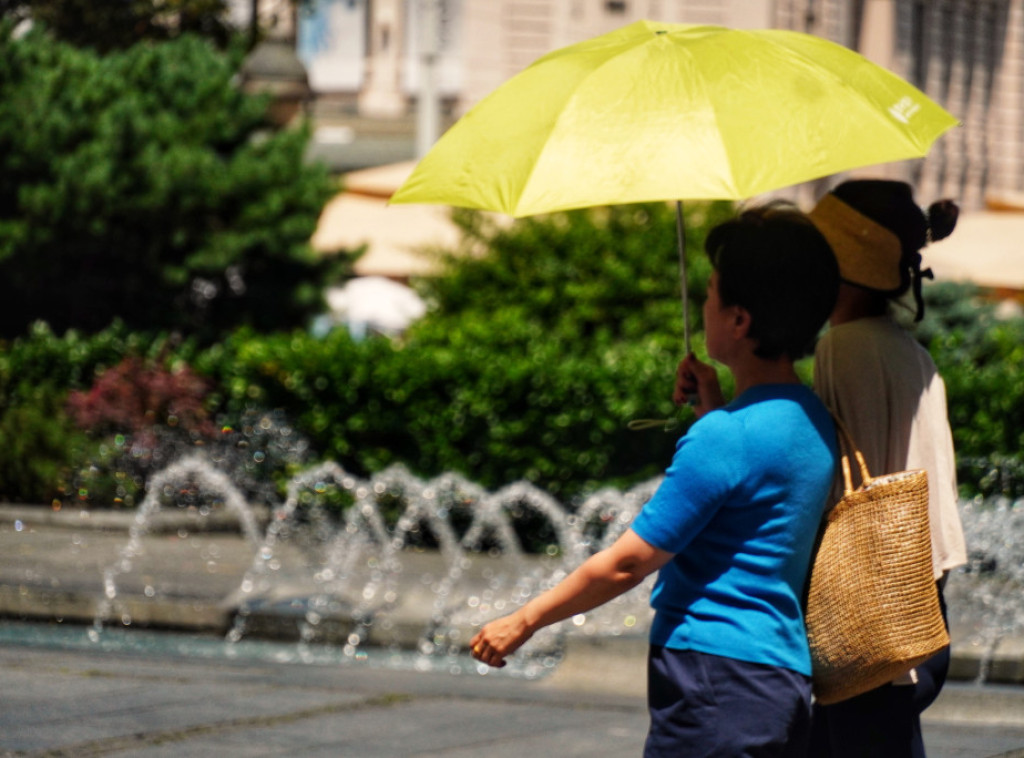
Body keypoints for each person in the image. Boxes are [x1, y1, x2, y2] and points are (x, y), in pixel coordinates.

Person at [470, 204, 840, 757]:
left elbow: (628, 562)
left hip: (713, 676)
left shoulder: (726, 438)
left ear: (740, 321)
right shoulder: (811, 419)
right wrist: (713, 407)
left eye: (712, 293)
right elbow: (749, 510)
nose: (705, 304)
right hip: (777, 677)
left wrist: (524, 621)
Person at [807, 179, 969, 758]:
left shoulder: (841, 349)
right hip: (920, 605)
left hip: (863, 614)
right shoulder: (910, 352)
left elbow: (826, 482)